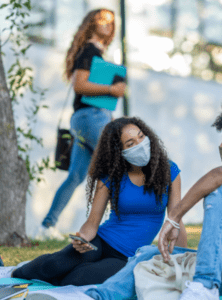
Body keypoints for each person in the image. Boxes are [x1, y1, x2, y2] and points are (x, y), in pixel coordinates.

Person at [81, 100, 222, 300]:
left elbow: (219, 175)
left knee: (217, 191)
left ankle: (204, 288)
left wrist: (174, 218)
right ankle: (97, 296)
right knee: (149, 255)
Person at [0, 117, 187, 286]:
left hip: (127, 257)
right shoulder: (110, 176)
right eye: (130, 143)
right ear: (119, 152)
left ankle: (51, 279)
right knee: (55, 264)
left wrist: (183, 261)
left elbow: (175, 219)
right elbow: (92, 222)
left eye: (141, 136)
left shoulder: (169, 171)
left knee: (79, 278)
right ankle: (12, 272)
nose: (140, 144)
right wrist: (82, 238)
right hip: (100, 241)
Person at [34, 8, 126, 240]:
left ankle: (46, 227)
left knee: (76, 176)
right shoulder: (89, 51)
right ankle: (114, 226)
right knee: (117, 164)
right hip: (90, 118)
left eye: (111, 21)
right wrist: (112, 89)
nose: (108, 24)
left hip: (90, 118)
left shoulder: (96, 54)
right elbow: (80, 85)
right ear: (91, 23)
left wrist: (109, 113)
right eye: (102, 20)